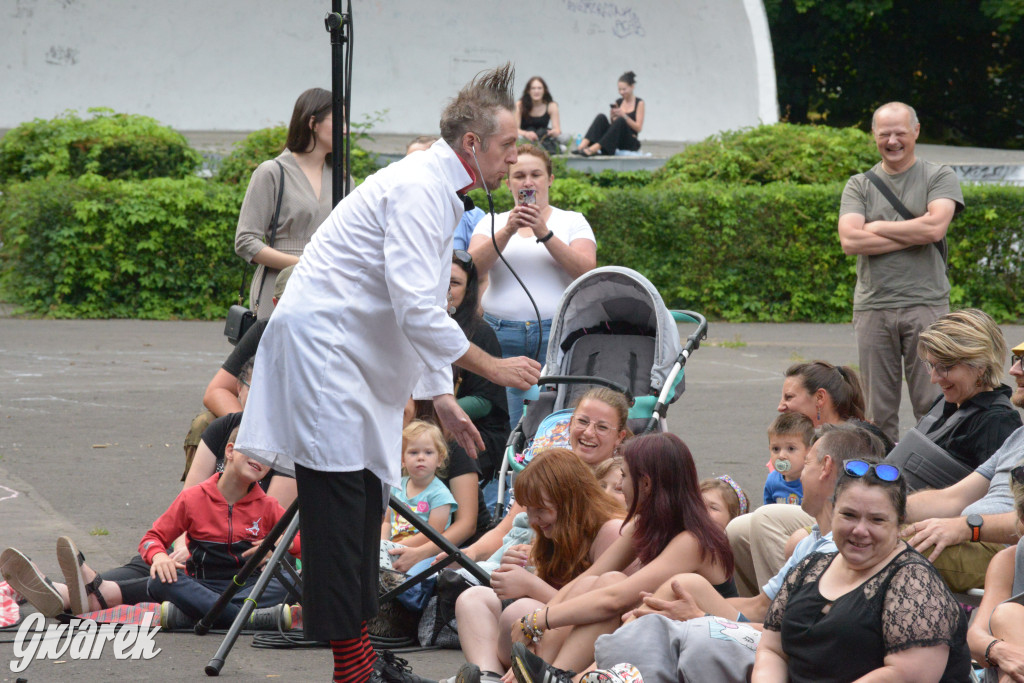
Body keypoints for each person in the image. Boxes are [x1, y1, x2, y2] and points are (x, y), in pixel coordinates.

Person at [233, 63, 541, 683]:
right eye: (508, 145)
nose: (514, 159)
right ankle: (354, 670)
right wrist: (492, 367)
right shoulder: (420, 188)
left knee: (365, 501)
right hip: (327, 359)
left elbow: (415, 307)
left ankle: (364, 662)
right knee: (341, 517)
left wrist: (439, 397)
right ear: (473, 144)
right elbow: (418, 310)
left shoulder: (434, 185)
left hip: (349, 361)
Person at [550, 424, 883, 683]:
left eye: (805, 461)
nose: (794, 473)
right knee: (649, 596)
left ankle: (576, 675)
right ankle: (563, 672)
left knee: (672, 592)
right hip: (759, 631)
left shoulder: (833, 552)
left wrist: (705, 618)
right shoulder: (812, 540)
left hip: (777, 649)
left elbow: (801, 634)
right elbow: (759, 607)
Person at [506, 433, 734, 677]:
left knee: (612, 589)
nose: (620, 486)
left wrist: (535, 621)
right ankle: (542, 674)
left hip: (705, 649)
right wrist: (535, 627)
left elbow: (615, 599)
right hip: (660, 636)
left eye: (624, 476)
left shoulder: (692, 541)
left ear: (645, 484)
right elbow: (587, 580)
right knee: (598, 582)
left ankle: (556, 676)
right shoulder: (644, 524)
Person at [751, 458, 972, 682]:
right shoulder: (811, 566)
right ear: (833, 511)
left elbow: (907, 675)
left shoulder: (916, 583)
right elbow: (772, 650)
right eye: (849, 515)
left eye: (876, 520)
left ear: (899, 524)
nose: (859, 530)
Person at [838, 101, 965, 444]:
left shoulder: (939, 176)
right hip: (873, 307)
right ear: (874, 136)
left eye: (900, 132)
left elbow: (935, 229)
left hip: (926, 304)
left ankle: (936, 474)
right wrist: (914, 231)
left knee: (934, 401)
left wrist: (876, 227)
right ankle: (881, 482)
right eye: (884, 134)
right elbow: (850, 240)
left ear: (916, 132)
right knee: (878, 410)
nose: (892, 141)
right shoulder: (859, 185)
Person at [453, 448, 625, 683]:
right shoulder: (556, 529)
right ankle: (488, 675)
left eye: (541, 510)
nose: (532, 520)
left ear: (570, 500)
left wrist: (529, 585)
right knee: (472, 598)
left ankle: (537, 672)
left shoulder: (610, 531)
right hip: (534, 634)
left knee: (521, 609)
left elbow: (601, 608)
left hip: (578, 640)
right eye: (529, 509)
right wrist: (512, 569)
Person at [728, 360, 892, 596]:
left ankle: (791, 602)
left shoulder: (857, 440)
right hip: (813, 513)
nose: (781, 406)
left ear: (819, 398)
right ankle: (758, 602)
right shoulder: (799, 440)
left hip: (840, 516)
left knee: (766, 518)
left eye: (789, 397)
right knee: (736, 530)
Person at [469, 143, 597, 428]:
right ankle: (508, 473)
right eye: (519, 175)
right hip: (501, 333)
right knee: (509, 422)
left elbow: (586, 271)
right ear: (508, 182)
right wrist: (508, 231)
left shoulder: (572, 221)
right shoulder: (492, 222)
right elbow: (472, 269)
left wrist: (543, 232)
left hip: (557, 333)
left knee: (555, 417)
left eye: (536, 174)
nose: (528, 182)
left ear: (549, 179)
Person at [899, 341, 1024, 592]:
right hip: (971, 538)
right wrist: (879, 507)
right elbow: (954, 498)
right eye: (1016, 360)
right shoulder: (1018, 436)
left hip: (1003, 551)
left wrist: (966, 527)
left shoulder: (999, 421)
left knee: (878, 546)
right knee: (857, 530)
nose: (1014, 371)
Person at [457, 387, 631, 564]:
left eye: (602, 427)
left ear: (619, 436)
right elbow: (504, 531)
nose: (588, 432)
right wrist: (469, 554)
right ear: (570, 424)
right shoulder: (548, 470)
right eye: (583, 422)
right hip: (511, 558)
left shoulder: (619, 483)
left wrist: (542, 555)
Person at [234, 88, 335, 320]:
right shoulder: (272, 172)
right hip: (279, 282)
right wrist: (302, 264)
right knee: (276, 352)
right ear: (313, 122)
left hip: (328, 284)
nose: (346, 129)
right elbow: (245, 241)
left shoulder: (342, 179)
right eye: (338, 120)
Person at [900, 308, 1021, 473]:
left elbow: (999, 493)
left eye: (945, 367)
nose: (934, 378)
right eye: (931, 366)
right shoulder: (946, 402)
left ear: (980, 365)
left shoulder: (998, 423)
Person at [448, 250, 511, 507]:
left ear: (469, 290)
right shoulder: (413, 324)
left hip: (477, 430)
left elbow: (485, 400)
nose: (446, 289)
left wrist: (429, 415)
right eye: (441, 280)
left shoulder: (480, 332)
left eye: (455, 282)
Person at [967, 462, 1024, 682]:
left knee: (1007, 616)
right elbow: (975, 637)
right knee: (1005, 616)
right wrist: (1000, 650)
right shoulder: (1009, 560)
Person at [384, 420, 457, 542]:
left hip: (423, 554)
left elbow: (433, 534)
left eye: (428, 452)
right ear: (403, 460)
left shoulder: (440, 495)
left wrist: (397, 547)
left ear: (439, 459)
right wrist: (382, 545)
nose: (421, 457)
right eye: (413, 452)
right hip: (392, 548)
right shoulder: (395, 487)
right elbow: (386, 523)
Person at [407, 137, 484, 251]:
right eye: (409, 163)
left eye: (422, 163)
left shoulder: (473, 216)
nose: (414, 170)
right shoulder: (397, 207)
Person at [572, 71, 644, 157]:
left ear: (632, 87)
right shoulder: (618, 102)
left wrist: (624, 116)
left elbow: (638, 128)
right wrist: (613, 117)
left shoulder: (639, 103)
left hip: (630, 141)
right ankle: (582, 146)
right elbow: (615, 126)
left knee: (621, 120)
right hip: (617, 139)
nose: (621, 92)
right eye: (619, 89)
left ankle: (594, 148)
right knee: (601, 117)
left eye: (624, 89)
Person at [763, 412, 814, 506]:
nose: (781, 455)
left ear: (809, 452)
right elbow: (768, 511)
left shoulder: (814, 482)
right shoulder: (772, 480)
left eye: (791, 449)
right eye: (775, 449)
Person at [516, 76, 562, 155]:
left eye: (539, 88)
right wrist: (526, 134)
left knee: (565, 137)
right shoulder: (520, 105)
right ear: (528, 91)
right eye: (533, 88)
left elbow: (557, 130)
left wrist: (553, 132)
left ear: (544, 90)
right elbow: (514, 129)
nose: (536, 91)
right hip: (525, 138)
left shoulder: (551, 106)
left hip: (543, 137)